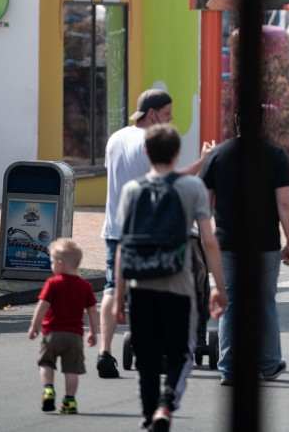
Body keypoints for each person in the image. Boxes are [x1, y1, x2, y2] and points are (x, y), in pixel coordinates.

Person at [115, 124, 226, 432]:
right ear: (177, 153)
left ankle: (148, 415)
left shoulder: (132, 190)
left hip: (140, 286)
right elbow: (209, 240)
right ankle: (166, 405)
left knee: (147, 358)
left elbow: (124, 245)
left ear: (146, 152)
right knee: (181, 354)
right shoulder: (192, 189)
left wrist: (119, 296)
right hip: (179, 284)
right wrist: (218, 285)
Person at [97, 88, 208, 379]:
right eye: (168, 115)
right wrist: (201, 163)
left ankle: (105, 351)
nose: (170, 121)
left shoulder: (115, 138)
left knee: (111, 288)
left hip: (114, 228)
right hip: (146, 232)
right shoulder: (149, 141)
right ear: (152, 113)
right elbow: (167, 179)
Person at [198, 116, 289, 385]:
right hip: (264, 242)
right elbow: (284, 202)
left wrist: (206, 236)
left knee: (229, 303)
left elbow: (204, 203)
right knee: (265, 301)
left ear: (236, 123)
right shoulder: (275, 155)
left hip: (228, 243)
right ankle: (269, 363)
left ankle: (229, 368)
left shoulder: (217, 155)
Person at [28, 238, 99, 415]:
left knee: (46, 362)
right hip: (74, 336)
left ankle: (49, 389)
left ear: (60, 263)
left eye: (52, 261)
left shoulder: (53, 283)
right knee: (71, 370)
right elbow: (92, 311)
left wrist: (34, 326)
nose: (51, 265)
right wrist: (94, 332)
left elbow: (43, 306)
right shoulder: (85, 286)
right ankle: (69, 401)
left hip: (52, 333)